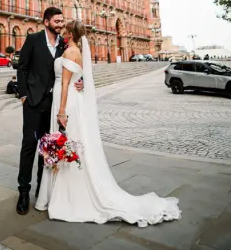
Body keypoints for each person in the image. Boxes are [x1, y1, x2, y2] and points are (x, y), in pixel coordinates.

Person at [35, 20, 181, 227]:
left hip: (66, 102)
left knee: (67, 142)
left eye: (66, 31)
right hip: (71, 100)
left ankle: (69, 196)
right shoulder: (75, 51)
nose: (63, 33)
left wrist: (61, 111)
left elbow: (66, 83)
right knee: (71, 143)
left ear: (71, 33)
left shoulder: (69, 53)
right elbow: (78, 77)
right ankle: (62, 191)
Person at [16, 6, 83, 216]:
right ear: (46, 22)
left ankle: (41, 189)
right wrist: (24, 94)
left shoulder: (65, 43)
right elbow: (22, 67)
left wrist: (82, 81)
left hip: (54, 105)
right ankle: (23, 193)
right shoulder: (33, 39)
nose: (60, 25)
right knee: (29, 146)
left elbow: (75, 67)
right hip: (34, 103)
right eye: (56, 21)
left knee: (47, 149)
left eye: (62, 21)